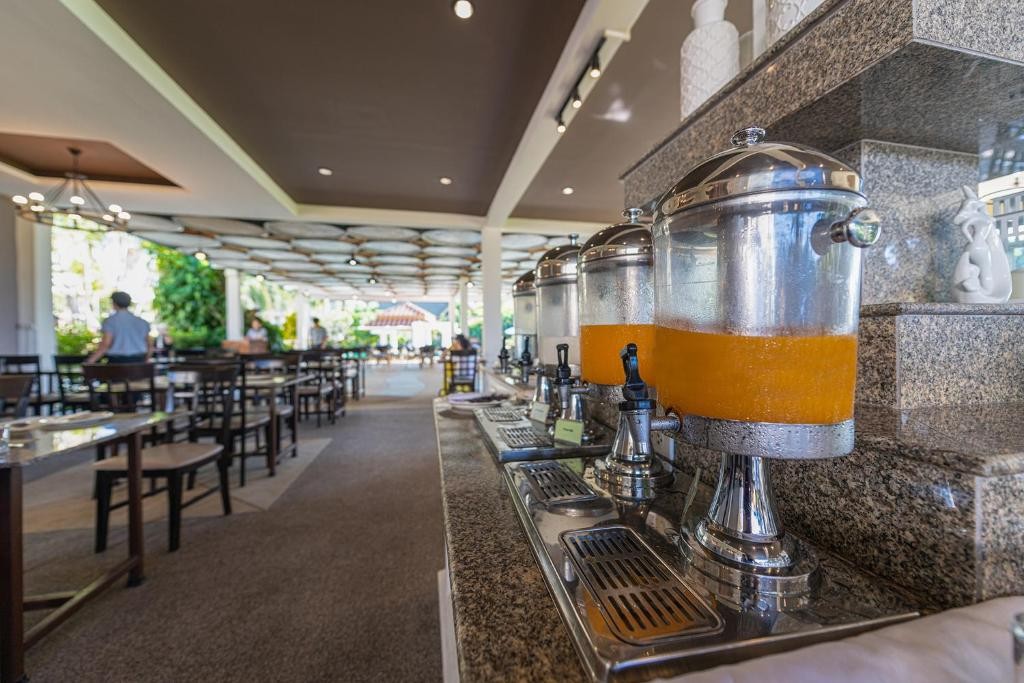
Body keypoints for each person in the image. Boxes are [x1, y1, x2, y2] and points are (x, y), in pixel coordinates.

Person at [86, 291, 153, 363]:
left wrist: (89, 362)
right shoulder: (142, 322)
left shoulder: (110, 321)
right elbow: (150, 345)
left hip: (117, 363)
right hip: (139, 362)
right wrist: (146, 360)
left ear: (114, 303)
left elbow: (105, 345)